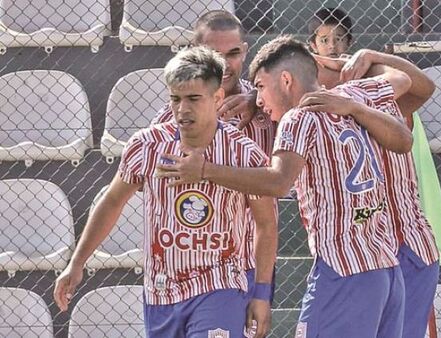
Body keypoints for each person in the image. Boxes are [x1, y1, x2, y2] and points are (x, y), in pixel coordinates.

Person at [157, 36, 414, 337]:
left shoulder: (298, 118)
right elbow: (404, 138)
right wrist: (356, 108)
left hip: (343, 268)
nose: (259, 99)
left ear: (287, 80)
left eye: (261, 88)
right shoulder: (349, 98)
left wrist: (204, 170)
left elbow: (278, 182)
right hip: (386, 270)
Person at [54, 46, 277, 338]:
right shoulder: (147, 146)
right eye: (176, 99)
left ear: (217, 97)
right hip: (162, 291)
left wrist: (260, 292)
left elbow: (266, 224)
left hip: (221, 285)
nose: (183, 109)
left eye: (194, 99)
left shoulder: (242, 152)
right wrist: (77, 263)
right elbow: (111, 202)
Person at [307, 50, 441, 338]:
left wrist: (370, 58)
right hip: (360, 258)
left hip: (405, 246)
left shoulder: (378, 93)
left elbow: (423, 86)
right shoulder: (308, 113)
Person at [151, 10, 278, 304]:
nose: (223, 64)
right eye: (212, 53)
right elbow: (154, 178)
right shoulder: (169, 119)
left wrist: (255, 99)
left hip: (251, 260)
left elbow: (308, 85)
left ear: (245, 52)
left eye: (233, 53)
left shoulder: (268, 109)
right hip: (190, 262)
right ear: (194, 53)